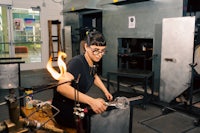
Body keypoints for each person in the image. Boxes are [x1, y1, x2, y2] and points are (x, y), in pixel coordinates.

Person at [52, 30, 113, 130]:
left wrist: (106, 91)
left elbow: (94, 75)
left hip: (76, 103)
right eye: (96, 50)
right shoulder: (77, 62)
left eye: (102, 51)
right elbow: (61, 87)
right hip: (63, 109)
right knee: (93, 124)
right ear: (86, 47)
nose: (99, 54)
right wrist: (92, 101)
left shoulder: (92, 62)